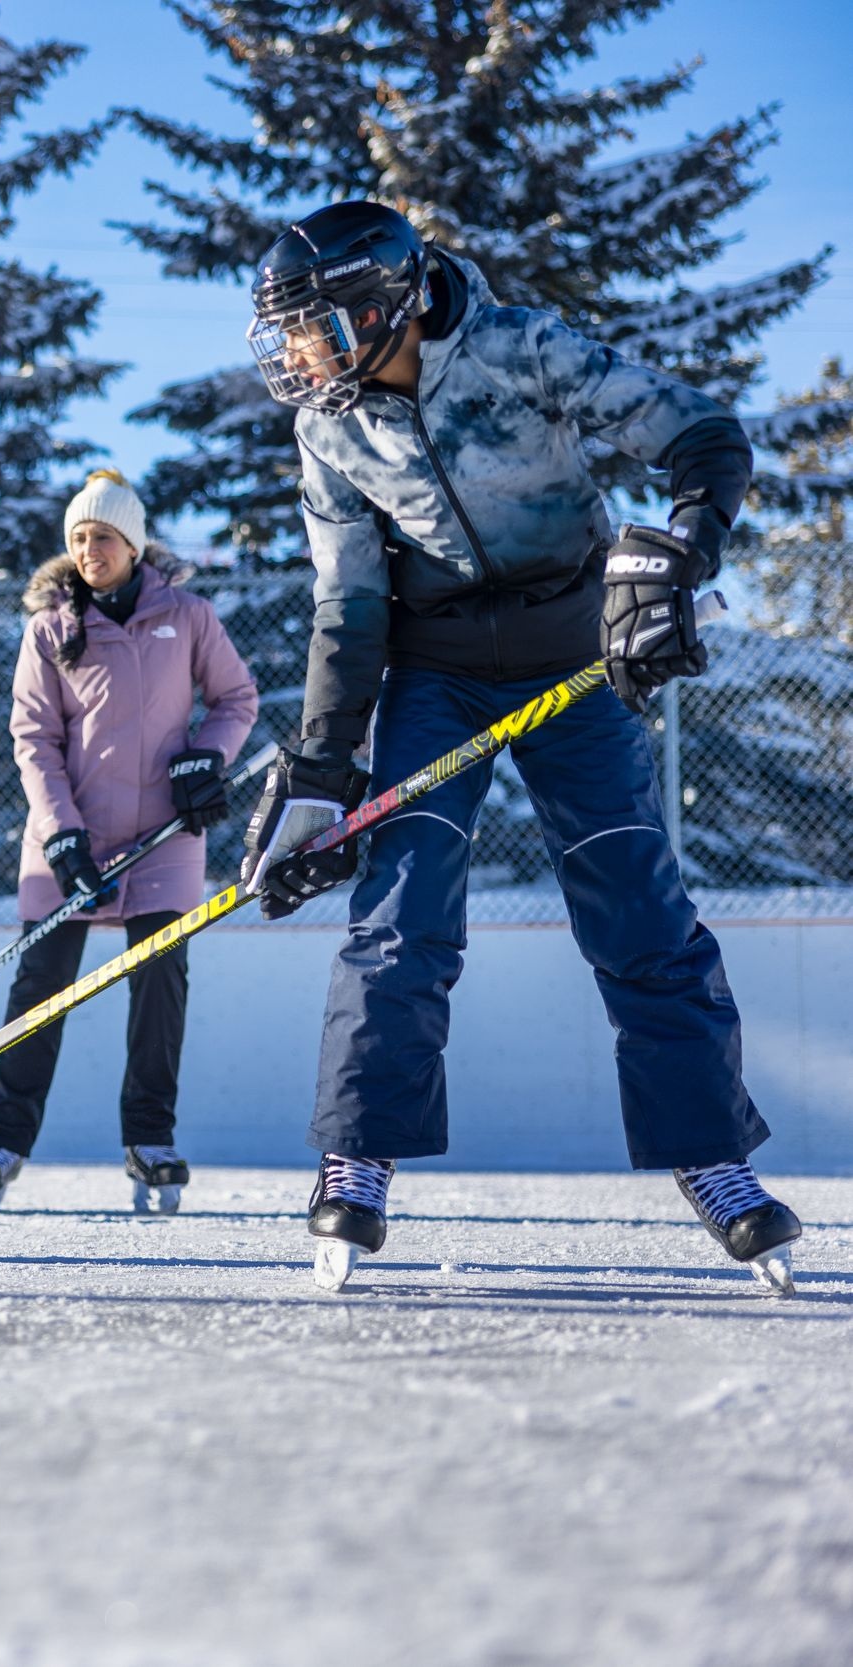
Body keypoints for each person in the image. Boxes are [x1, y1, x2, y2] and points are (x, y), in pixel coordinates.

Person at [238, 200, 801, 1292]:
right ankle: (357, 1156)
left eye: (311, 325)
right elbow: (346, 608)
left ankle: (712, 1156)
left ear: (377, 305)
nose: (296, 353)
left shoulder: (518, 349)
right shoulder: (327, 427)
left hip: (573, 659)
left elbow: (703, 434)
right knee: (400, 909)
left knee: (637, 903)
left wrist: (678, 555)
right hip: (434, 673)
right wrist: (317, 773)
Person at [0, 471, 259, 1214]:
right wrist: (62, 836)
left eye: (101, 537)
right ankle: (5, 1140)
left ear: (132, 543)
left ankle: (149, 1139)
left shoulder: (187, 616)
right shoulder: (51, 628)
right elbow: (33, 737)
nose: (88, 550)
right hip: (68, 832)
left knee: (160, 979)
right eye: (78, 539)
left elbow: (237, 699)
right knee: (41, 985)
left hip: (163, 834)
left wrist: (208, 757)